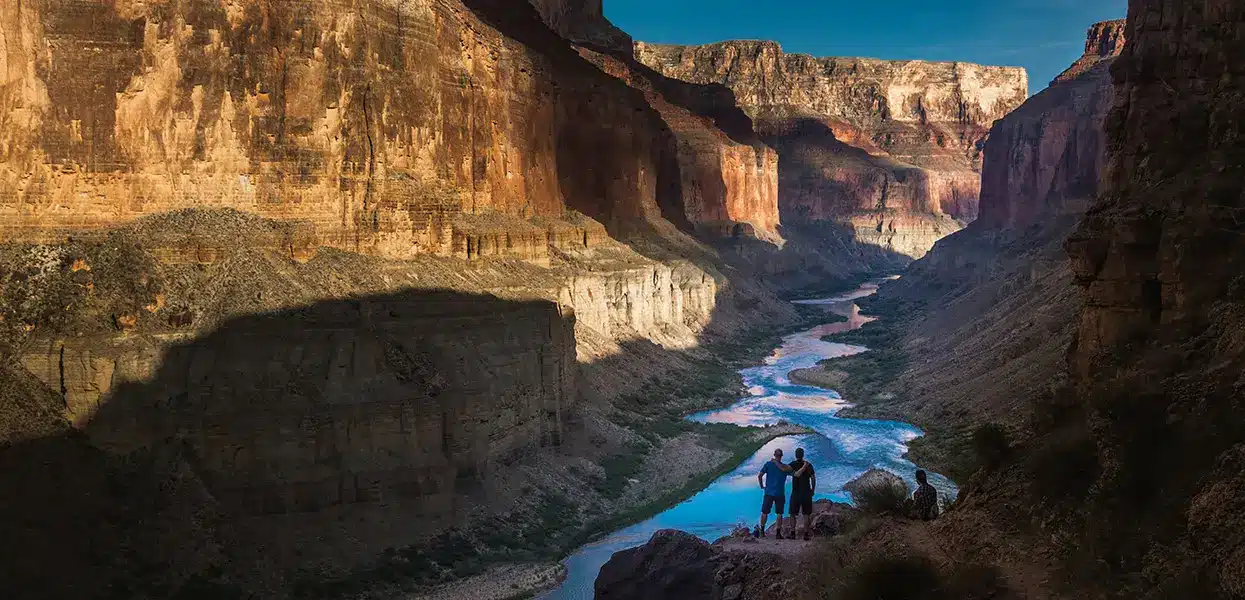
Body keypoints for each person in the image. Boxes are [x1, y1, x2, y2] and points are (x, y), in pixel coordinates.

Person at [756, 448, 799, 539]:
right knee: (779, 513)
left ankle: (762, 532)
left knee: (764, 512)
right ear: (781, 456)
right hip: (780, 493)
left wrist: (761, 486)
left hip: (768, 492)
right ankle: (778, 534)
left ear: (774, 455)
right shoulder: (785, 468)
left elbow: (760, 475)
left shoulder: (768, 464)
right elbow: (795, 474)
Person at [786, 448, 816, 540]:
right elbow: (813, 478)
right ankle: (806, 534)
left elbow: (786, 471)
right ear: (803, 455)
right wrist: (812, 490)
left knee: (792, 513)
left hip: (796, 492)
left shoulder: (792, 464)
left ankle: (793, 533)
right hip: (806, 492)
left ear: (796, 455)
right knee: (806, 514)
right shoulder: (809, 465)